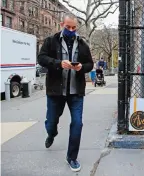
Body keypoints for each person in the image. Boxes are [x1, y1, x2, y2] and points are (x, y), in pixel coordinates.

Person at [38, 13, 93, 172]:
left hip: (76, 92)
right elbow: (41, 58)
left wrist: (82, 67)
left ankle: (72, 157)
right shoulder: (51, 40)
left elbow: (90, 63)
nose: (71, 30)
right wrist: (58, 63)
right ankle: (51, 133)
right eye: (68, 27)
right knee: (51, 122)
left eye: (74, 27)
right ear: (62, 24)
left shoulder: (82, 43)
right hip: (56, 91)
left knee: (77, 123)